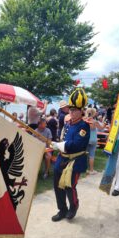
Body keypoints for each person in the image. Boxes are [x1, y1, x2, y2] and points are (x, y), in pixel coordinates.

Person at [50, 87, 90, 221]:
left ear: (81, 111)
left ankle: (74, 205)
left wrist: (60, 145)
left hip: (75, 161)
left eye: (75, 110)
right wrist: (55, 143)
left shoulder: (84, 126)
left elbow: (77, 144)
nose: (72, 112)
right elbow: (63, 139)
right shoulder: (67, 124)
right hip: (62, 158)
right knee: (57, 185)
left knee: (69, 186)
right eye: (70, 110)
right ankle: (62, 210)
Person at [84, 108, 106, 175]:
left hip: (86, 139)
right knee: (92, 155)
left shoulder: (84, 120)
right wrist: (104, 122)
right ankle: (91, 170)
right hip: (93, 139)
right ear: (93, 113)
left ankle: (84, 168)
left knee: (84, 153)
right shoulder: (95, 121)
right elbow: (101, 128)